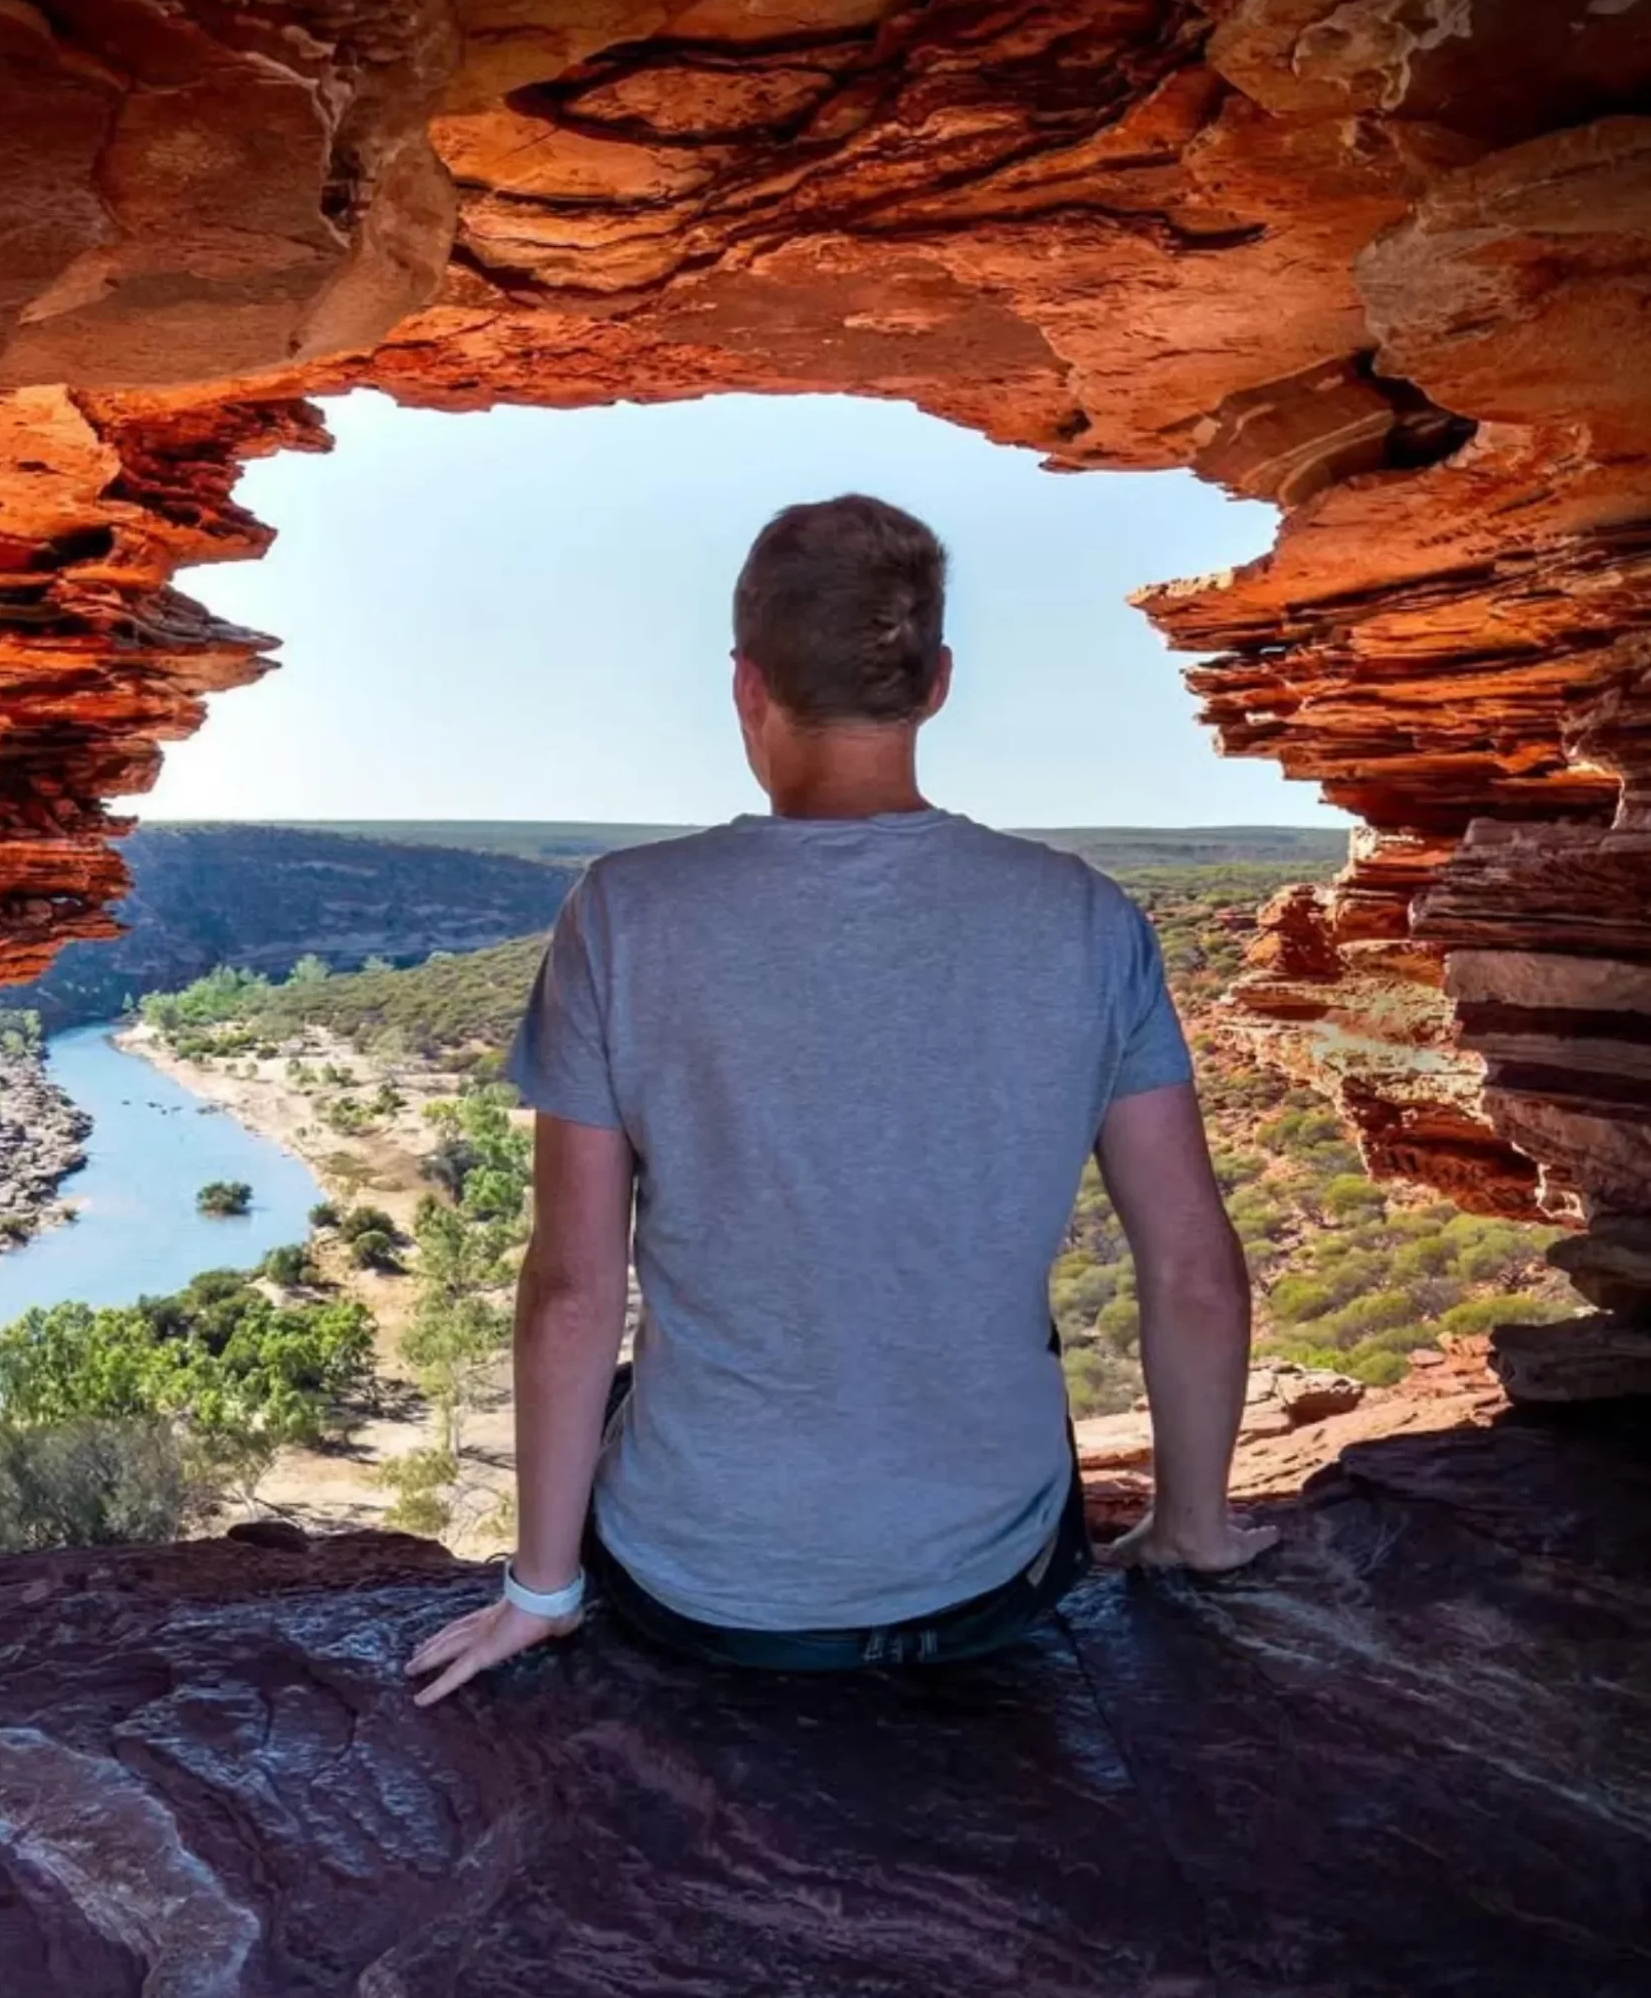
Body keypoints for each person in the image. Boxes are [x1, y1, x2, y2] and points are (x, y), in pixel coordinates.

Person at [408, 494, 1275, 1704]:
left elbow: (569, 1289)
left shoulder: (622, 912)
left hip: (701, 1588)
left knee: (633, 1392)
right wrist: (1193, 1525)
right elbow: (1190, 1270)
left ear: (744, 684)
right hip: (992, 1586)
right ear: (937, 684)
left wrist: (542, 1592)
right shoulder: (1084, 916)